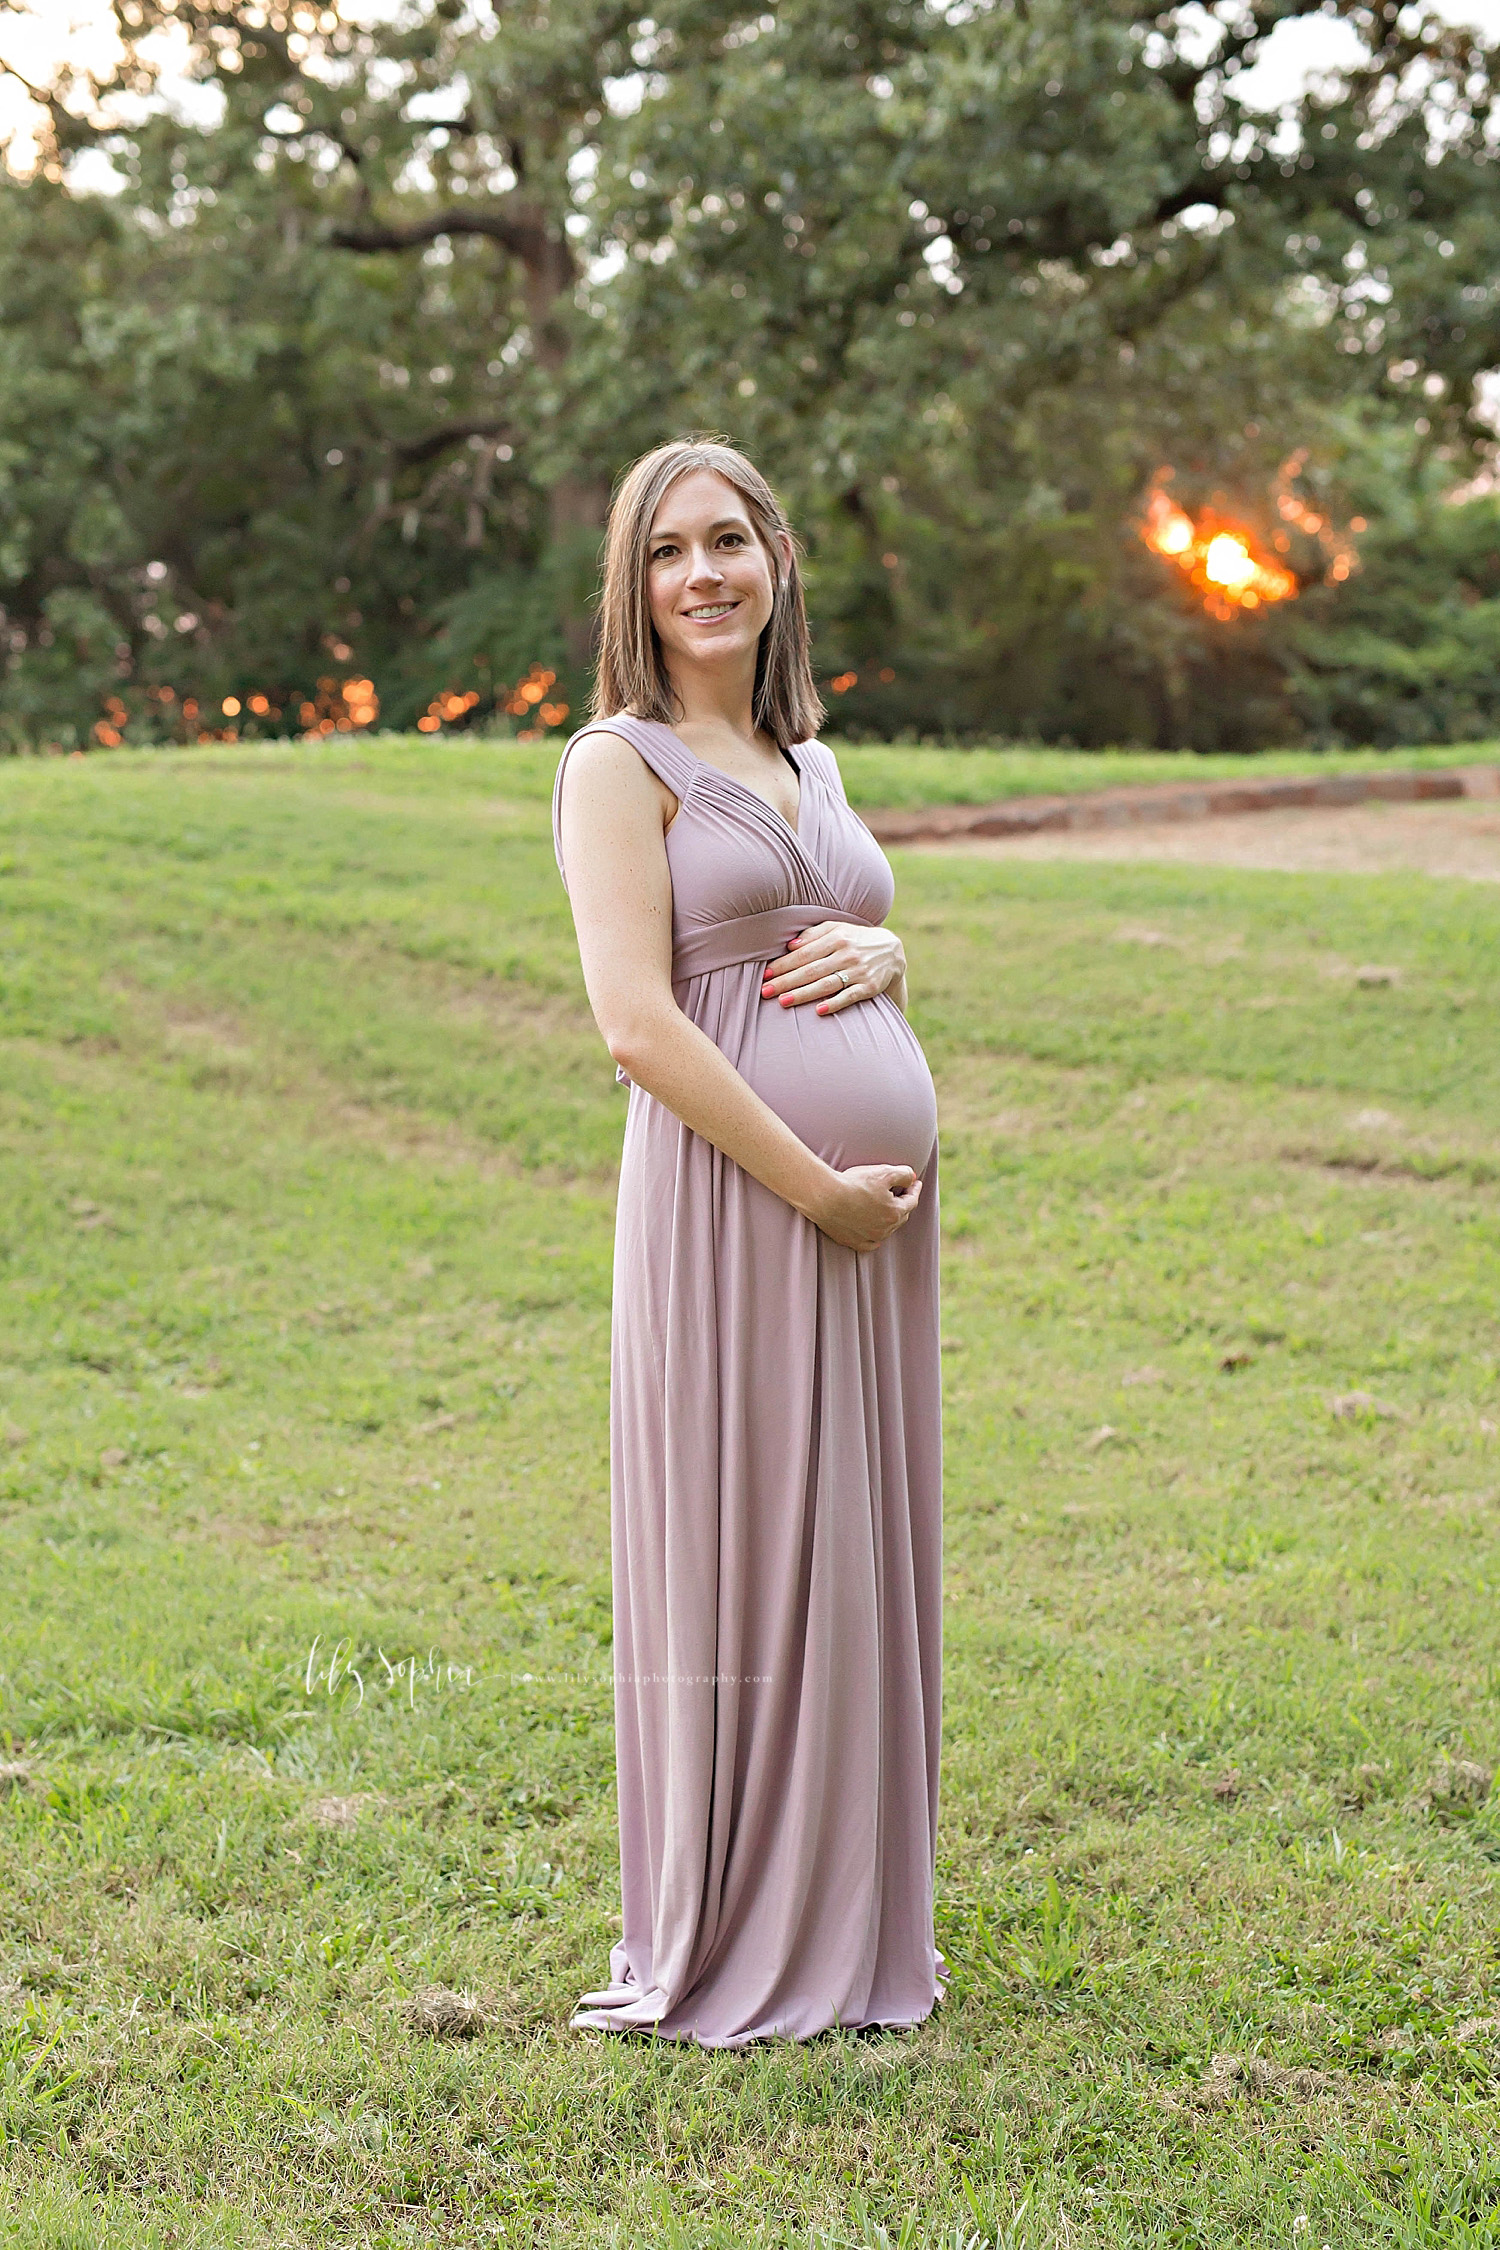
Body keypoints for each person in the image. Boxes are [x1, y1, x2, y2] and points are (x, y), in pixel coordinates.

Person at [552, 437, 943, 2048]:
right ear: (635, 585)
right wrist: (820, 1187)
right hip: (739, 1205)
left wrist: (891, 944)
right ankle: (733, 1924)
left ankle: (850, 1922)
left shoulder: (813, 755)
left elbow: (830, 936)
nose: (701, 572)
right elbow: (638, 1026)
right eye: (667, 550)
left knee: (849, 1543)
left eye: (728, 539)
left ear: (778, 555)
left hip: (863, 1235)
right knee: (750, 1537)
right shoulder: (614, 763)